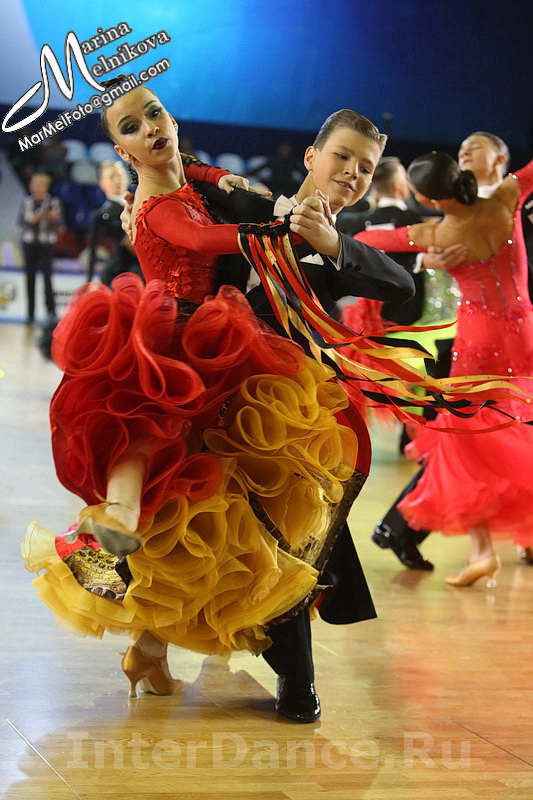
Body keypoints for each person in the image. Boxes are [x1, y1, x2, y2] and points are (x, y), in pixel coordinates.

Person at [22, 86, 420, 725]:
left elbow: (402, 287)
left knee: (273, 538)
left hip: (279, 416)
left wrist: (333, 245)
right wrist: (138, 208)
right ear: (312, 156)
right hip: (207, 390)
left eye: (366, 168)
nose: (351, 173)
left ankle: (271, 672)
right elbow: (178, 206)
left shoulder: (342, 241)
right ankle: (137, 625)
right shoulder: (241, 201)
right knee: (184, 526)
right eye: (342, 157)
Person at [352, 150, 533, 585]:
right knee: (521, 426)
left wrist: (423, 254)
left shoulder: (437, 231)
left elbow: (369, 239)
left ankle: (482, 551)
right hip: (524, 332)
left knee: (465, 442)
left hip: (479, 344)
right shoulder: (506, 197)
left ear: (425, 198)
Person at [86, 161, 143, 284]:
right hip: (118, 273)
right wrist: (89, 281)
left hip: (139, 271)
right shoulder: (102, 215)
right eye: (112, 177)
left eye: (120, 175)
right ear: (102, 183)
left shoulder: (139, 205)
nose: (118, 180)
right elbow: (94, 252)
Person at [18, 173, 63, 324]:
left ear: (45, 187)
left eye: (39, 185)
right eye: (33, 185)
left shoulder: (53, 203)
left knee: (47, 278)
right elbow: (21, 223)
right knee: (29, 278)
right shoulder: (27, 202)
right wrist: (33, 220)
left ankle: (51, 313)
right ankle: (30, 314)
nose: (35, 188)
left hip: (46, 243)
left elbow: (60, 225)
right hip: (29, 243)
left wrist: (53, 218)